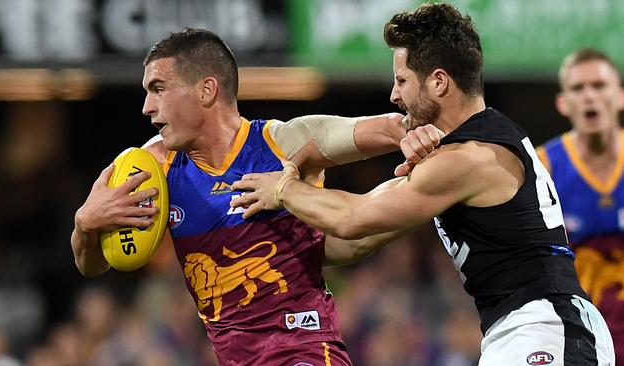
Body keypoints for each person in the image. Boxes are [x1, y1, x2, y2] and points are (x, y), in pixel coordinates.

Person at [229, 3, 616, 364]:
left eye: (401, 80)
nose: (394, 94)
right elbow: (358, 238)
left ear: (439, 82)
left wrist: (285, 188)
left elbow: (352, 218)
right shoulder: (464, 152)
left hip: (547, 326)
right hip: (525, 329)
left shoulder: (469, 158)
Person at [70, 27, 410, 365]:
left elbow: (384, 128)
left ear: (206, 90)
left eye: (158, 89)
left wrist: (416, 136)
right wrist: (86, 225)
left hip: (304, 353)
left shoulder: (282, 144)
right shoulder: (153, 169)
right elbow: (94, 263)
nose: (146, 107)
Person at [536, 48, 624, 364]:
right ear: (563, 102)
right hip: (578, 337)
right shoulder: (542, 168)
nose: (589, 96)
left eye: (599, 86)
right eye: (578, 88)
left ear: (620, 96)